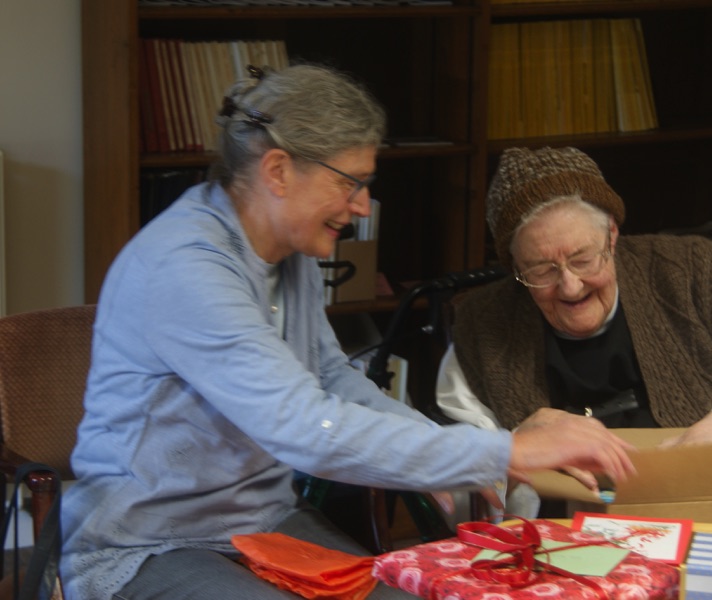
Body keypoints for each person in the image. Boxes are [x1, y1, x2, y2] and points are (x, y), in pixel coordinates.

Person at [60, 68, 636, 600]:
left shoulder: (290, 252)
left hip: (263, 522)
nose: (361, 207)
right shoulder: (186, 269)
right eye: (350, 183)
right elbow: (306, 428)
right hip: (145, 543)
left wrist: (468, 459)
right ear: (278, 171)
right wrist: (508, 448)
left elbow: (331, 380)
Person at [436, 145, 712, 527]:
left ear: (611, 235)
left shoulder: (690, 272)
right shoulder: (481, 328)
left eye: (582, 259)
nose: (570, 287)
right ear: (514, 266)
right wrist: (511, 448)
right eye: (541, 270)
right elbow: (460, 492)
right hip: (561, 553)